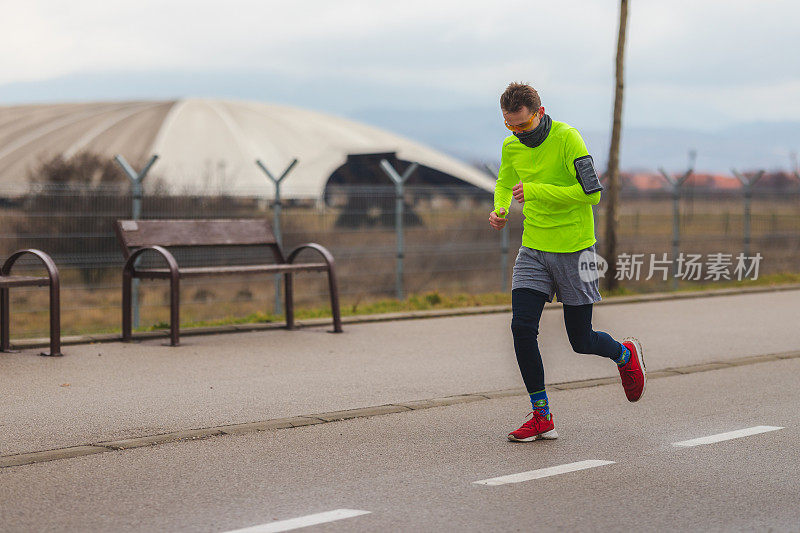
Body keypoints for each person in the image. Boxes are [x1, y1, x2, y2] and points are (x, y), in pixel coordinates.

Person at [488, 82, 645, 442]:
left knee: (581, 339)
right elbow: (504, 183)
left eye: (522, 126)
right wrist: (499, 209)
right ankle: (542, 417)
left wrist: (538, 190)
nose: (517, 133)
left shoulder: (568, 139)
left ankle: (624, 354)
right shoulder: (511, 145)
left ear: (540, 113)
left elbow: (591, 193)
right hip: (534, 249)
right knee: (521, 328)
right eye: (509, 126)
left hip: (575, 250)